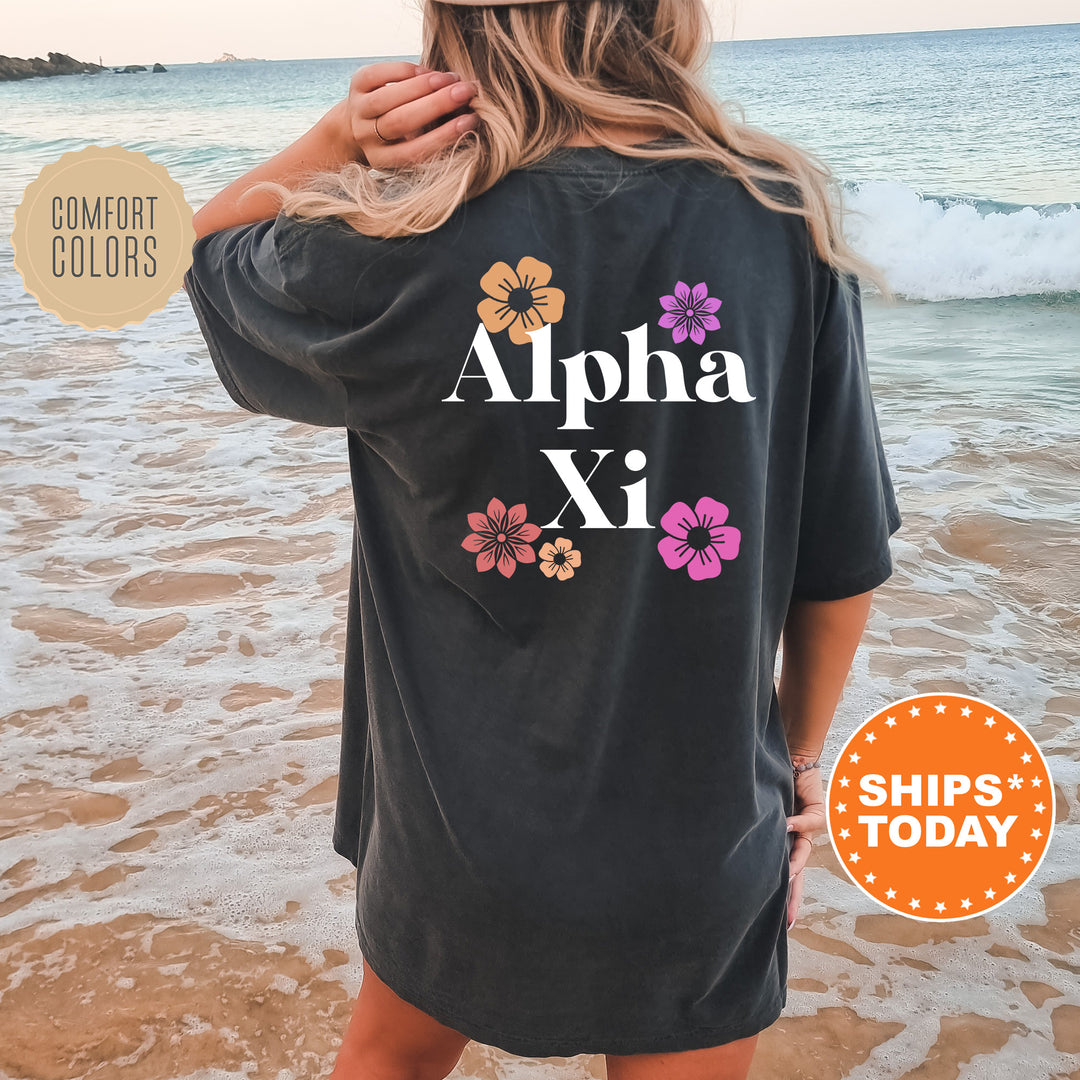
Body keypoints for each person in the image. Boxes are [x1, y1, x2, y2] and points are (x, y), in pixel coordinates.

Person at [182, 0, 903, 1077]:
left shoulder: (395, 237)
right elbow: (841, 559)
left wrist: (338, 142)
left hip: (454, 832)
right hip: (698, 829)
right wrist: (801, 764)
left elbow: (202, 253)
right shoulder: (779, 219)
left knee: (388, 1058)